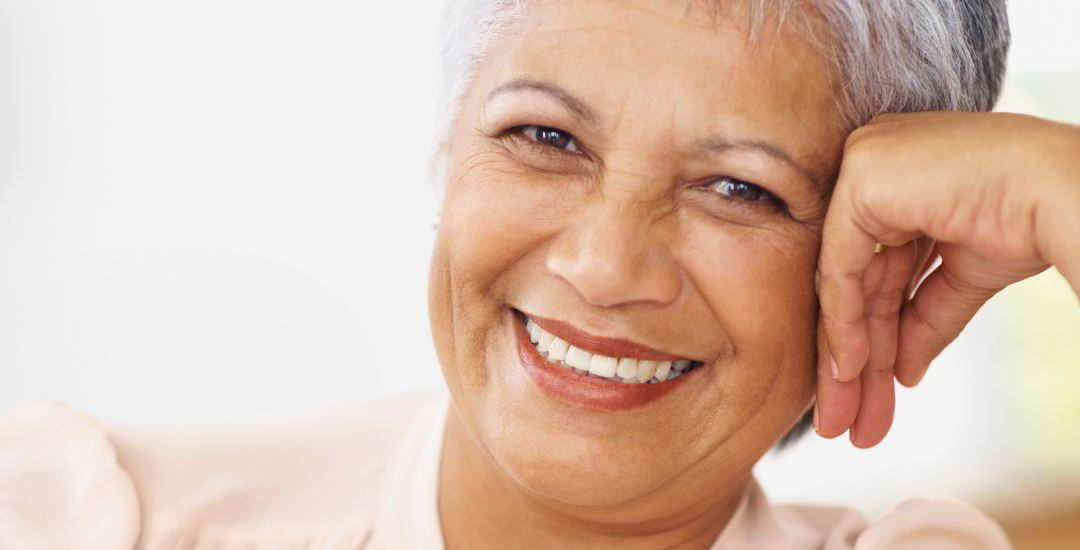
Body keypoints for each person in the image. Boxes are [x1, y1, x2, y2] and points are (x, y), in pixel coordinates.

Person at [1, 0, 1078, 548]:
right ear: (446, 144)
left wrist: (1062, 186)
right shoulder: (80, 516)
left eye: (741, 189)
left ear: (878, 267)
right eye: (545, 138)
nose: (603, 267)